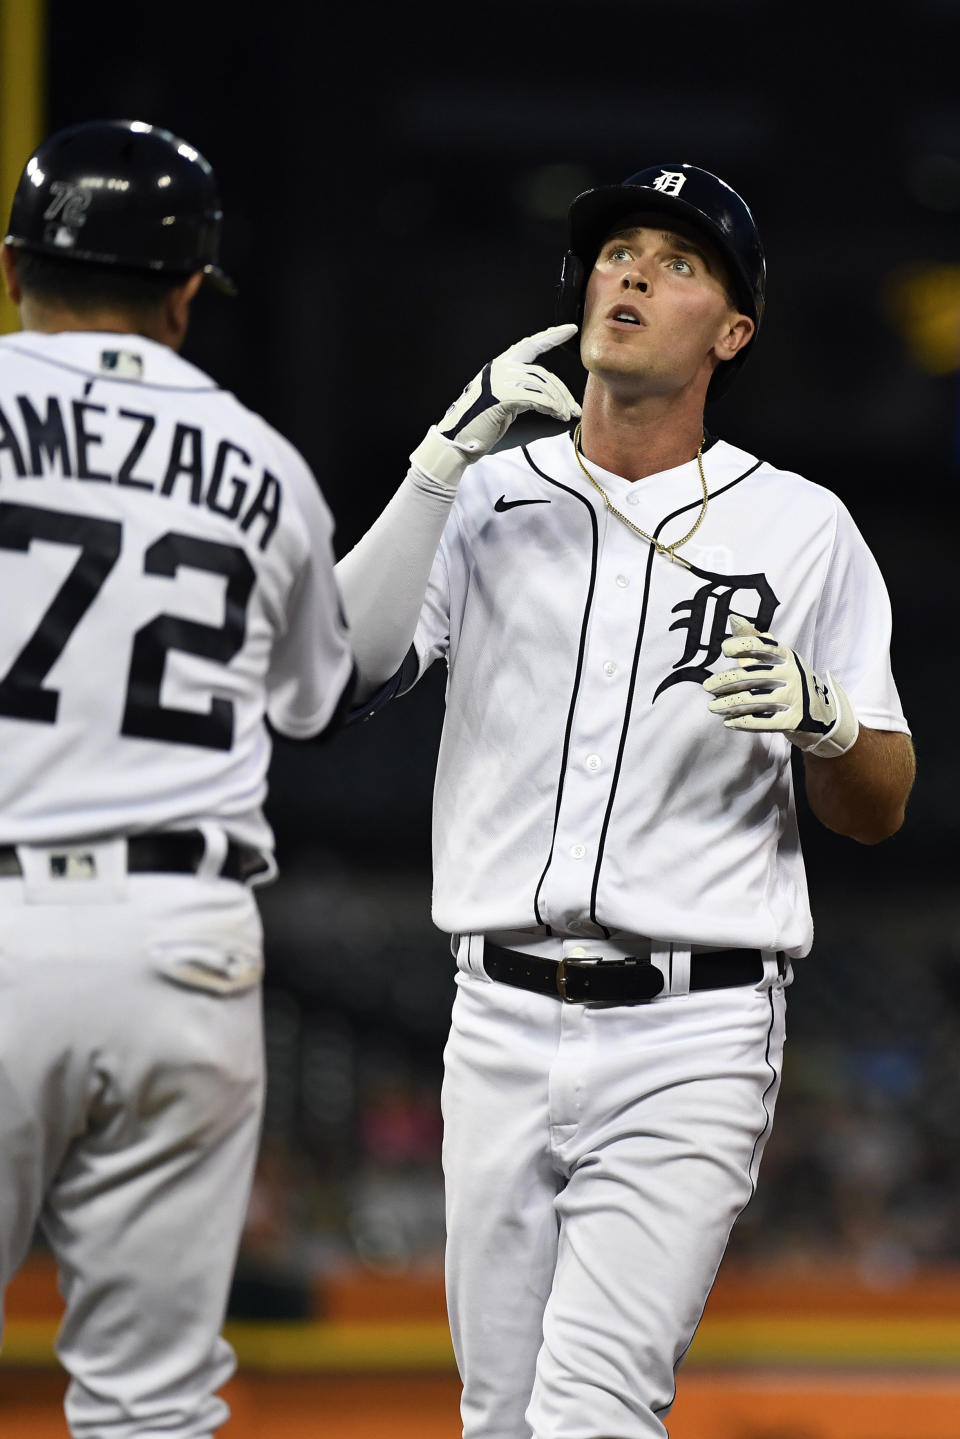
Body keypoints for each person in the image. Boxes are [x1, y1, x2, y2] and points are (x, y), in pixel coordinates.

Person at [335, 161, 915, 1439]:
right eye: (616, 251)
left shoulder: (802, 527)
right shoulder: (487, 492)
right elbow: (338, 672)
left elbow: (878, 800)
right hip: (492, 1015)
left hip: (690, 1032)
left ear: (735, 330)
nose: (635, 271)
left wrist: (826, 721)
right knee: (498, 1418)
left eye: (681, 260)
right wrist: (437, 463)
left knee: (593, 1411)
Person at [0, 120, 354, 1437]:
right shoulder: (266, 465)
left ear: (12, 266)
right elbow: (316, 695)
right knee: (151, 1400)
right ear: (188, 293)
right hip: (183, 942)